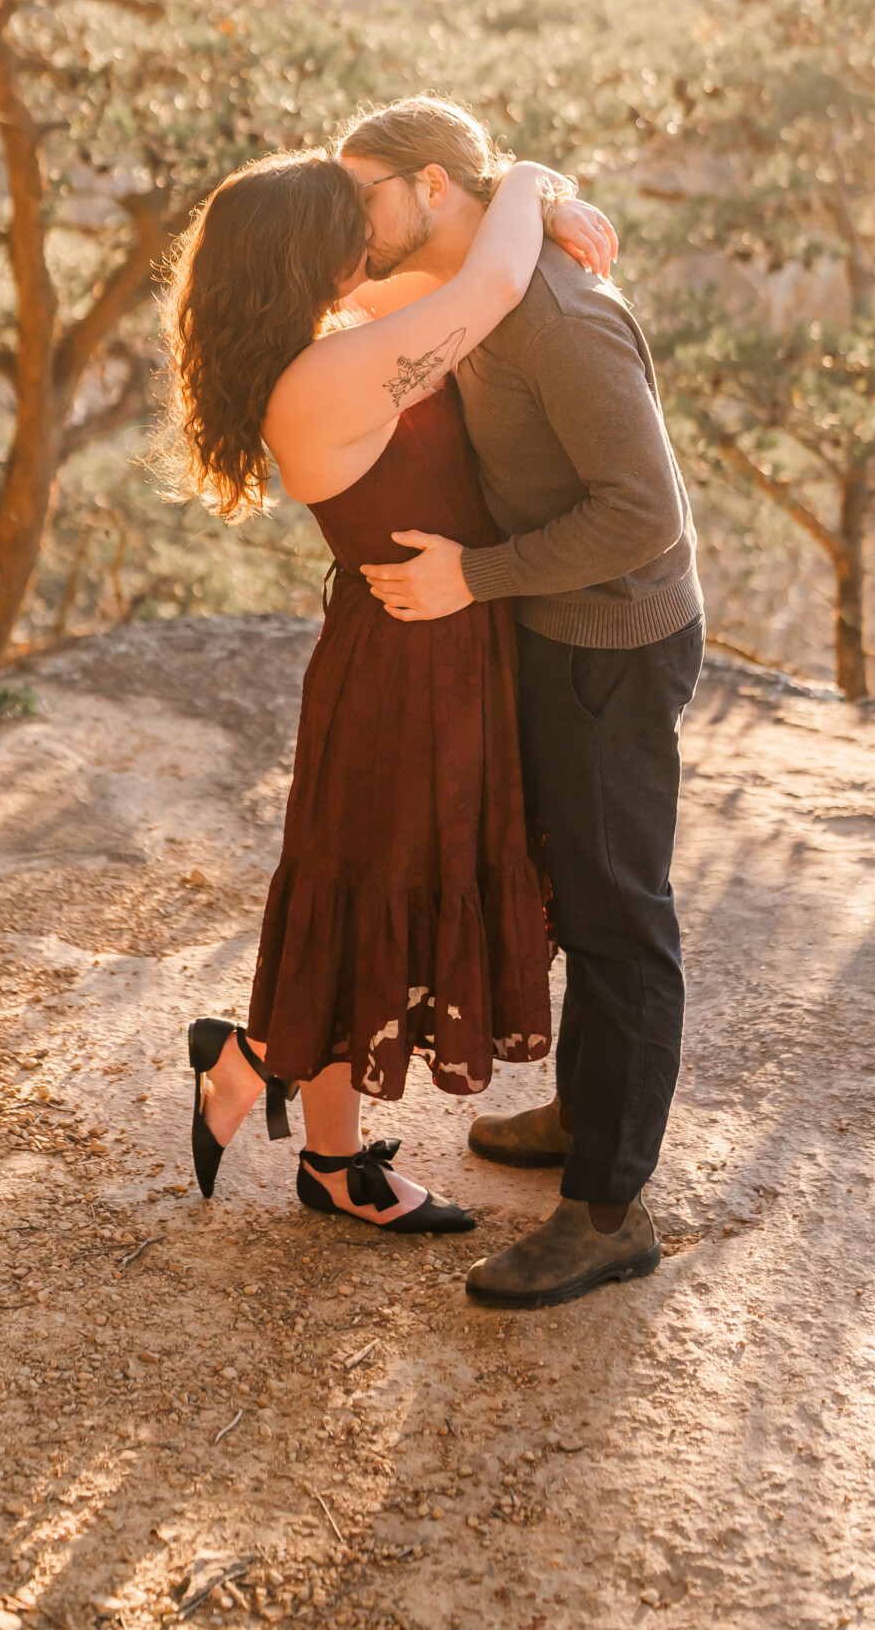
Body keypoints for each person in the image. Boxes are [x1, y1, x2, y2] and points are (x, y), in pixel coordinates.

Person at [162, 146, 617, 1233]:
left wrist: (545, 215)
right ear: (305, 257)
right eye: (348, 228)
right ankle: (268, 1080)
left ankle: (318, 1148)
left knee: (368, 896)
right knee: (369, 899)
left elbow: (453, 269)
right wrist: (534, 177)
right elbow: (490, 283)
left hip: (437, 648)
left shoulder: (334, 335)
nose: (371, 241)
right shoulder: (322, 377)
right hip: (406, 671)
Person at [343, 96, 703, 1312]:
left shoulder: (557, 313)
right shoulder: (484, 289)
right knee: (577, 889)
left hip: (614, 639)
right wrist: (537, 187)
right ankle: (585, 1118)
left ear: (436, 188)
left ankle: (609, 1210)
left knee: (618, 913)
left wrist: (473, 577)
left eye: (368, 195)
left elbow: (643, 514)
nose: (359, 219)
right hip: (557, 629)